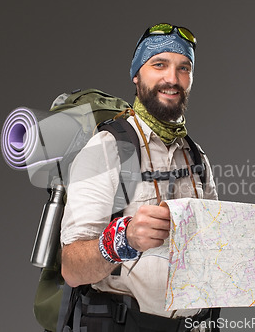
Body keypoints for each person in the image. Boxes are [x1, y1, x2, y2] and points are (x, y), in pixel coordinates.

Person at [60, 23, 219, 331]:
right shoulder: (107, 149)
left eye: (183, 68)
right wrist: (123, 239)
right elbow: (71, 268)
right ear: (137, 75)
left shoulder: (197, 157)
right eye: (158, 64)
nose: (171, 79)